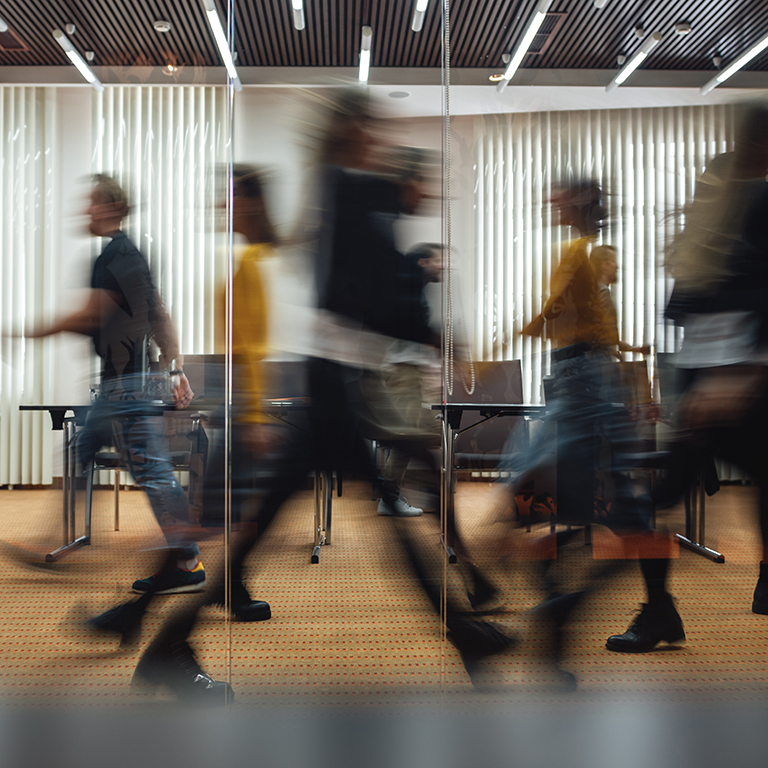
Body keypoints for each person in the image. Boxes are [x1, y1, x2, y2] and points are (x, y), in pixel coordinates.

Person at [510, 180, 683, 672]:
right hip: (580, 380)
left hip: (581, 382)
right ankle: (655, 610)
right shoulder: (580, 252)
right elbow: (594, 334)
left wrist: (514, 331)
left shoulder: (580, 252)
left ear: (580, 204)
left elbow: (563, 320)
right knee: (594, 499)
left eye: (561, 196)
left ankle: (566, 605)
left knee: (541, 493)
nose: (551, 201)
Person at [661, 101, 768, 615]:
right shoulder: (741, 208)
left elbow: (681, 305)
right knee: (662, 497)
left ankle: (651, 608)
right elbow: (685, 305)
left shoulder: (741, 203)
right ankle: (653, 607)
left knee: (664, 495)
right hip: (719, 375)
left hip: (716, 373)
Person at [377, 242, 444, 517]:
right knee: (411, 435)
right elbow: (412, 333)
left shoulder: (413, 290)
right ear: (422, 263)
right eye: (437, 261)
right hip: (403, 371)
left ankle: (423, 493)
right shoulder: (408, 290)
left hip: (410, 371)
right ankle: (389, 497)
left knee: (430, 432)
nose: (442, 266)